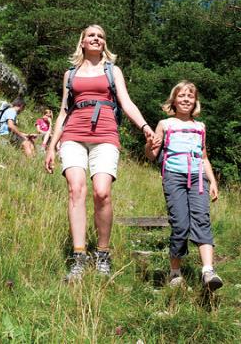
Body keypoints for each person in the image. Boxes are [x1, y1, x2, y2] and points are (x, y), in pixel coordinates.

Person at [45, 25, 157, 282]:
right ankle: (79, 256)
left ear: (104, 43)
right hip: (73, 134)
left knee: (102, 192)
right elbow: (63, 111)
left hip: (106, 134)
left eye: (101, 36)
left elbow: (126, 102)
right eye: (91, 35)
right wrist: (52, 146)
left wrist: (145, 128)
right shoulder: (70, 75)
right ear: (82, 42)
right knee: (76, 189)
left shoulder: (112, 71)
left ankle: (103, 254)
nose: (96, 38)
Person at [144, 80, 223, 291]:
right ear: (174, 100)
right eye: (181, 96)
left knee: (202, 220)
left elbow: (204, 157)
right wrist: (150, 145)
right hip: (173, 177)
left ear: (195, 101)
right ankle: (175, 272)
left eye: (190, 96)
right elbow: (151, 155)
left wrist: (213, 181)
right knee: (180, 224)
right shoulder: (165, 124)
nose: (186, 99)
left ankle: (208, 271)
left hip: (198, 178)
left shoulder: (200, 127)